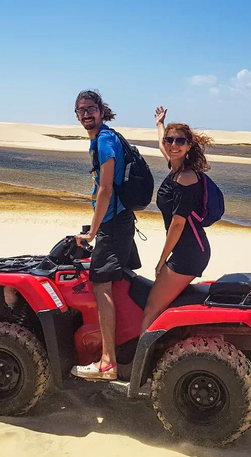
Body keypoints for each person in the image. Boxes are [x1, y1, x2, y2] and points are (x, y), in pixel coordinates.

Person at [71, 90, 141, 381]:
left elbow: (106, 189)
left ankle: (108, 362)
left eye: (91, 108)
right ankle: (126, 350)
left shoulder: (104, 140)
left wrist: (93, 231)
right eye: (81, 110)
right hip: (118, 221)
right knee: (117, 281)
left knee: (101, 284)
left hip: (113, 224)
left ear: (101, 110)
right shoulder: (103, 137)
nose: (86, 114)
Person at [140, 106, 212, 333]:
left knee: (152, 307)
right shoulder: (175, 168)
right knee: (159, 304)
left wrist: (162, 260)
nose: (173, 144)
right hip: (187, 249)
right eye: (171, 140)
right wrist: (160, 123)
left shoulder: (187, 178)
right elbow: (162, 144)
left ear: (189, 146)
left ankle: (139, 366)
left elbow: (178, 224)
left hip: (189, 253)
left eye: (180, 141)